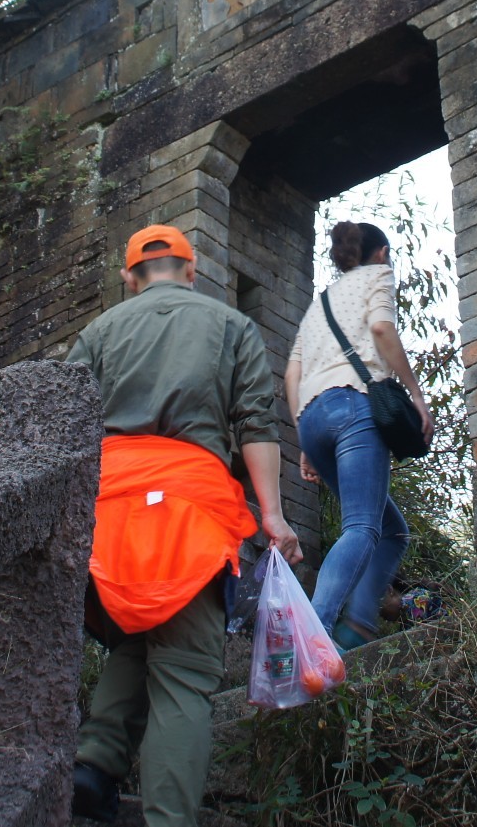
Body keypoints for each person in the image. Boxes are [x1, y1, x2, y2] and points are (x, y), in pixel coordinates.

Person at [68, 225, 302, 826]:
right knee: (184, 670)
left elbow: (60, 428)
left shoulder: (97, 333)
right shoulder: (232, 326)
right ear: (192, 271)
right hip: (190, 509)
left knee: (136, 633)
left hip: (110, 509)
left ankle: (93, 768)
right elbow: (255, 424)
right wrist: (271, 517)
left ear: (129, 278)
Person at [286, 221, 433, 650]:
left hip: (312, 419)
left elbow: (291, 375)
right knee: (363, 527)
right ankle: (315, 634)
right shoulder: (378, 276)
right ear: (382, 253)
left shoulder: (320, 304)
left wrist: (304, 440)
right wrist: (417, 396)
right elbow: (383, 330)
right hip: (354, 407)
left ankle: (358, 625)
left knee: (393, 530)